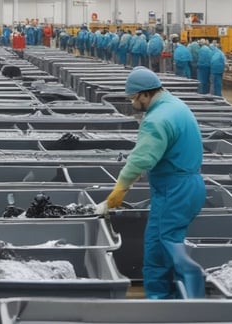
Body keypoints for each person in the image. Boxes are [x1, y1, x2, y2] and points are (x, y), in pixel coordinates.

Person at [98, 67, 206, 299]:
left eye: (132, 98)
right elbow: (152, 156)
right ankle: (180, 300)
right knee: (168, 245)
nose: (132, 102)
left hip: (174, 190)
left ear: (144, 95)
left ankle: (170, 303)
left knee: (161, 249)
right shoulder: (174, 105)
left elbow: (141, 159)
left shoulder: (156, 119)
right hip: (187, 186)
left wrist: (119, 190)